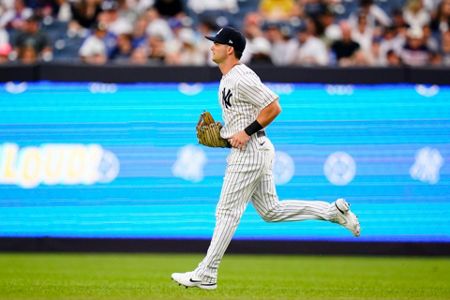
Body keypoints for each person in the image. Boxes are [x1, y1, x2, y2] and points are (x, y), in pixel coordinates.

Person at [171, 26, 361, 290]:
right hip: (254, 149)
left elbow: (274, 106)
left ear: (229, 49)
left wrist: (246, 133)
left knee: (226, 212)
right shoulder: (227, 77)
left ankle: (207, 273)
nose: (211, 46)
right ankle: (332, 211)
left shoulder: (241, 76)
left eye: (216, 43)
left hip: (250, 152)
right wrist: (229, 136)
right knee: (271, 211)